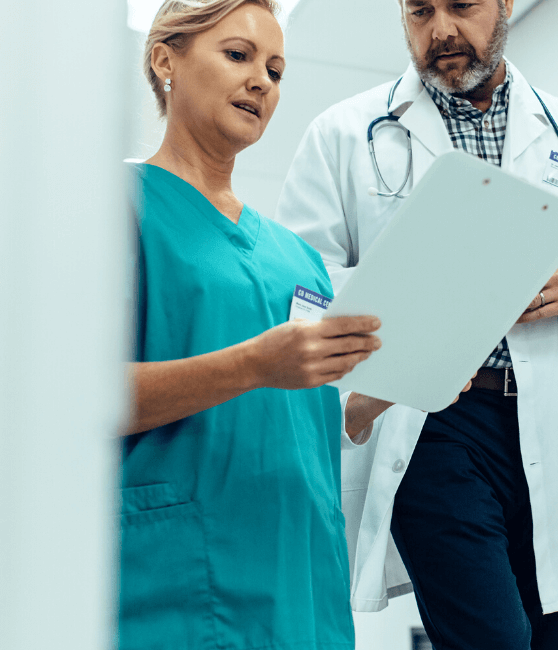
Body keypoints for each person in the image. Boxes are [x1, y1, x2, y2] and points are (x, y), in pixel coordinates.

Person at [274, 1, 558, 648]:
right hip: (431, 424)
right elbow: (302, 288)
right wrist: (410, 295)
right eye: (420, 10)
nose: (441, 29)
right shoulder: (344, 133)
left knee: (538, 639)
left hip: (551, 426)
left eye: (461, 5)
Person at [119, 2, 394, 648]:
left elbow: (302, 420)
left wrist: (373, 402)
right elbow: (75, 396)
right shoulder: (117, 207)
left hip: (301, 581)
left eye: (275, 69)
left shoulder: (297, 258)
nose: (262, 83)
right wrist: (252, 365)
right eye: (238, 56)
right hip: (176, 587)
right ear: (166, 59)